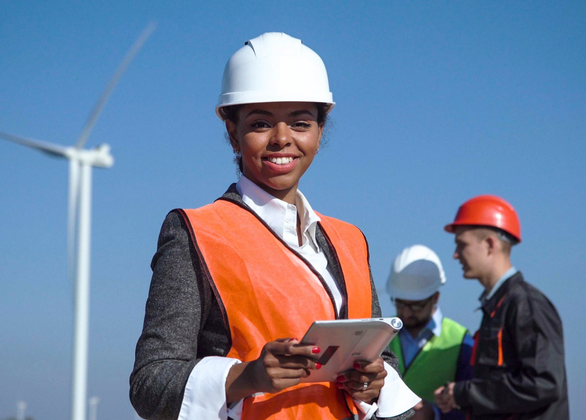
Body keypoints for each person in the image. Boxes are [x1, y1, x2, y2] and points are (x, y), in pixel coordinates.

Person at [129, 32, 419, 420]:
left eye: (300, 123)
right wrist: (245, 377)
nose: (282, 139)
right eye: (261, 123)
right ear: (232, 131)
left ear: (320, 130)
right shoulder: (196, 232)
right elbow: (150, 384)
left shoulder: (350, 241)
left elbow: (381, 361)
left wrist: (372, 382)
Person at [434, 195, 569, 420]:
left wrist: (463, 393)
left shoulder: (526, 304)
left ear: (489, 244)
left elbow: (544, 384)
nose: (455, 254)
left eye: (462, 244)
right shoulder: (502, 305)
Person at [386, 245, 474, 420]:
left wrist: (434, 414)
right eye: (400, 304)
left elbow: (474, 409)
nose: (406, 312)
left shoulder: (461, 342)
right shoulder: (380, 332)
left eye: (416, 306)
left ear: (435, 298)